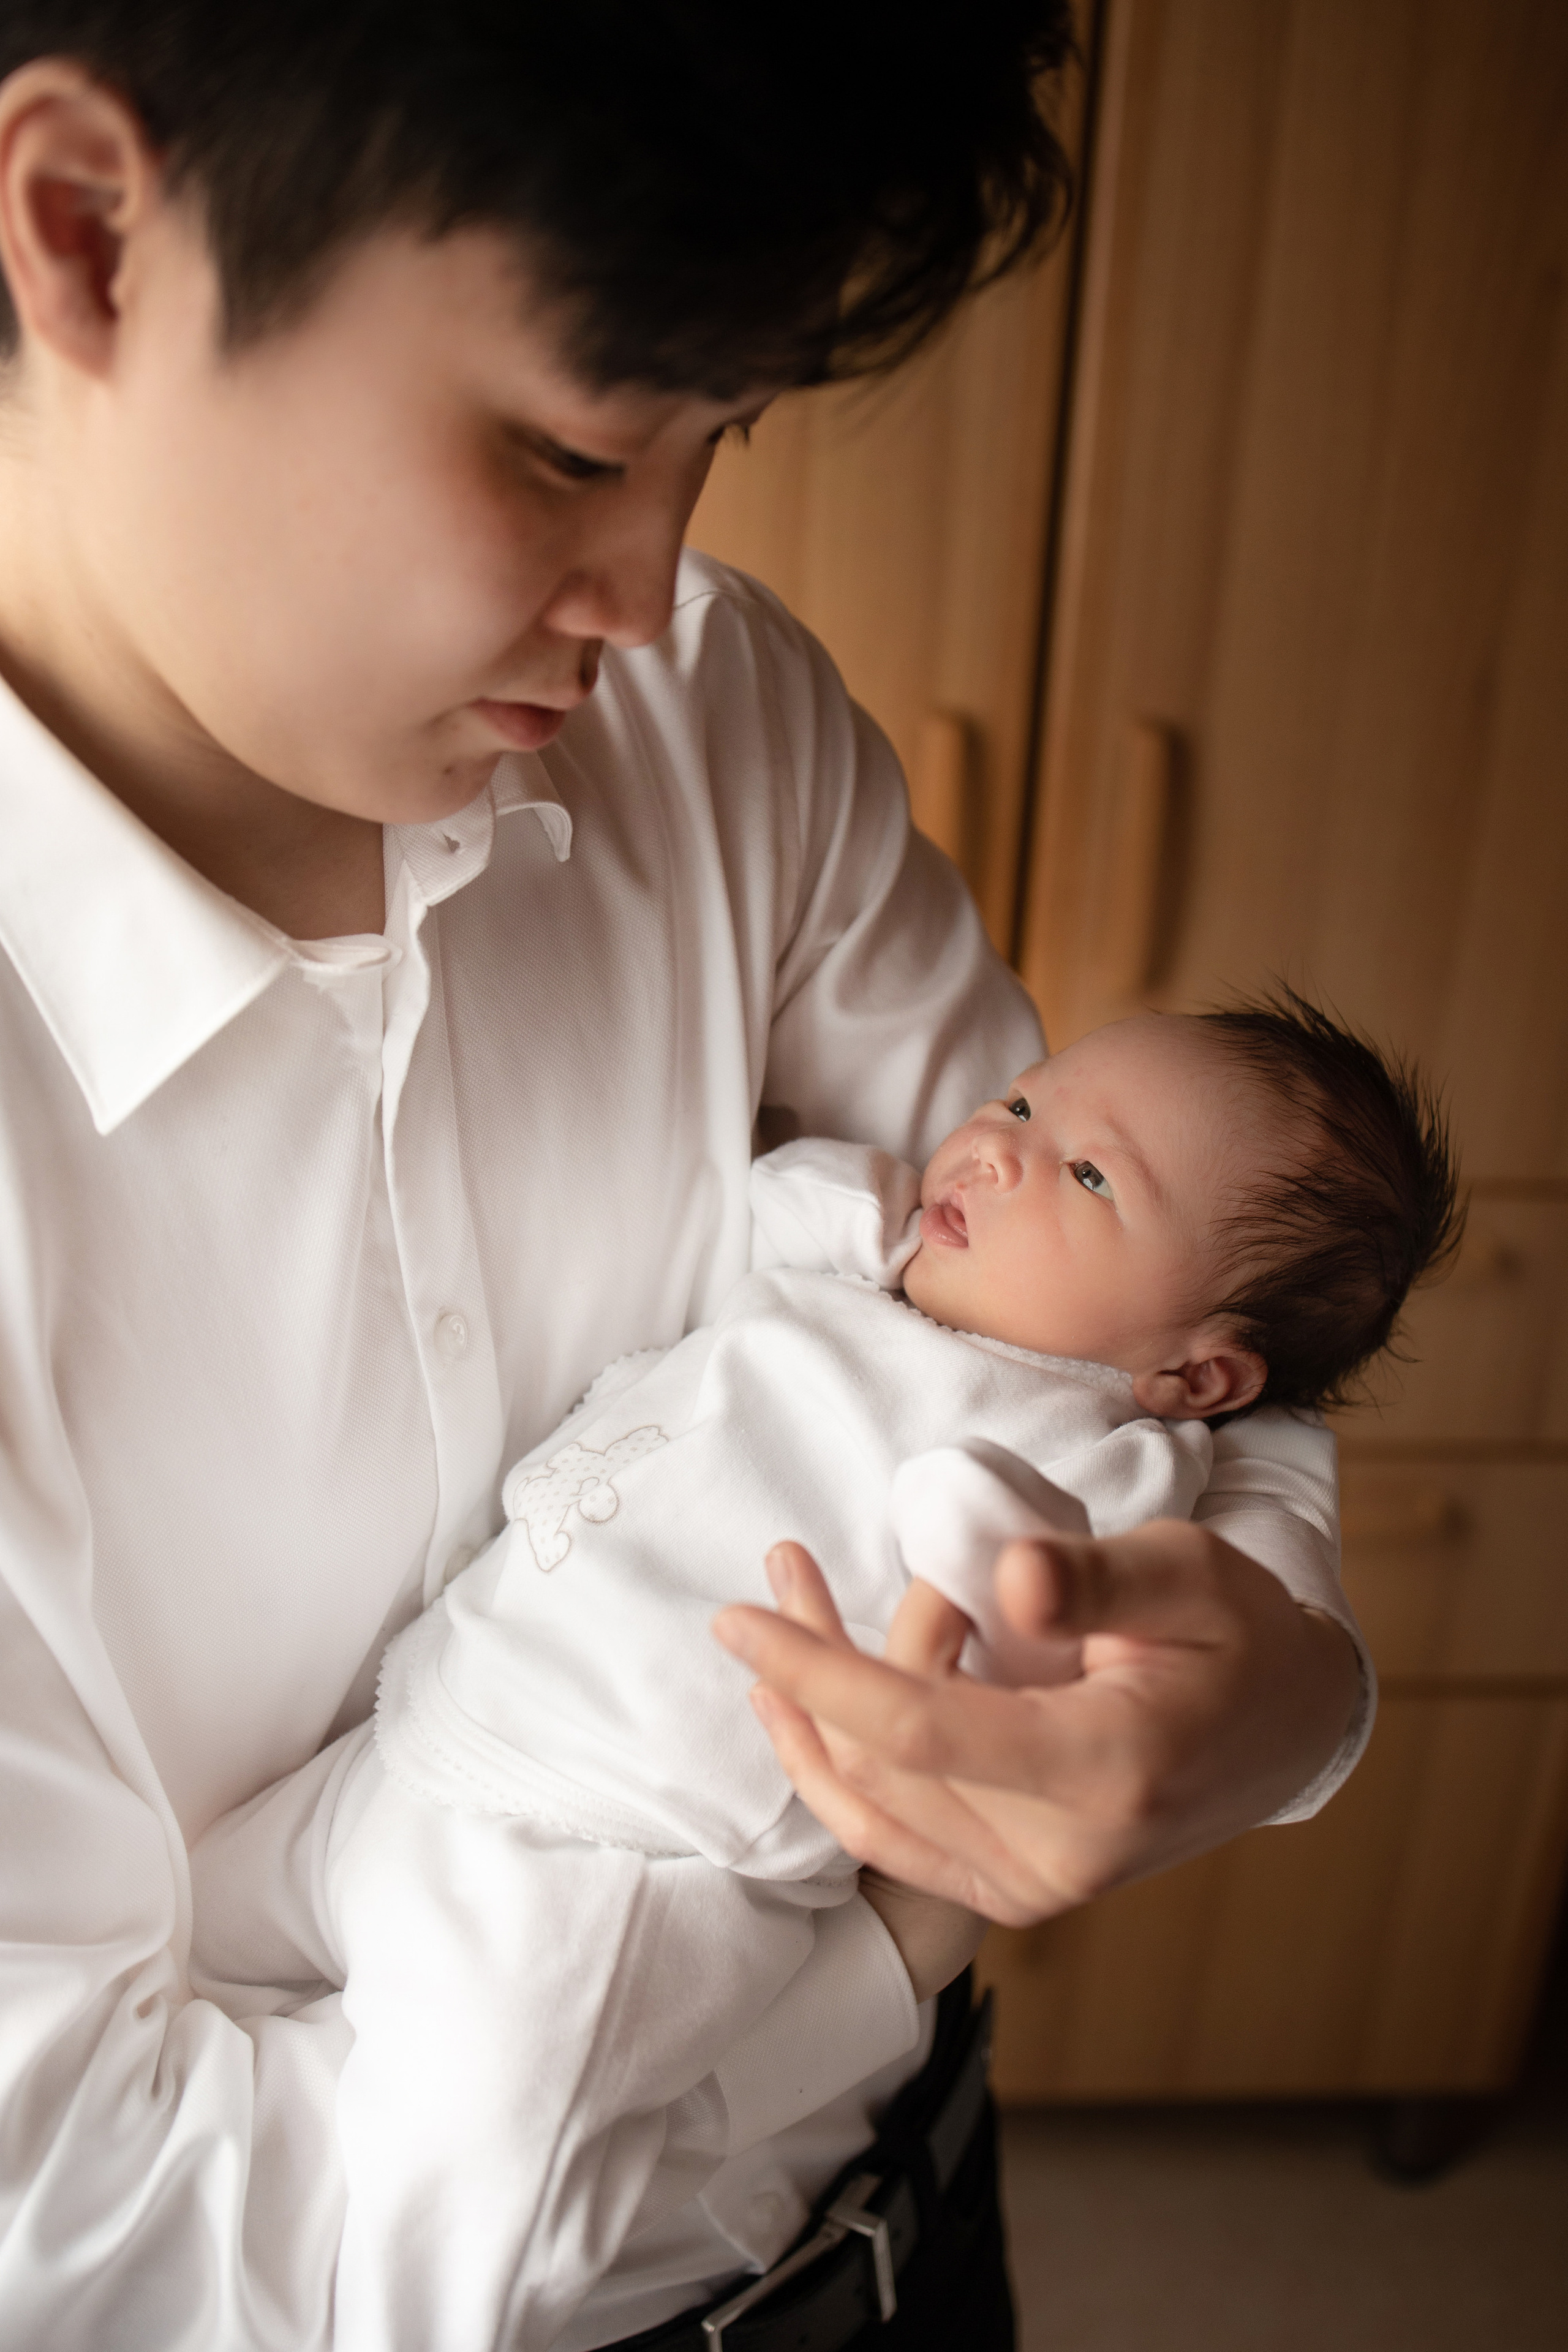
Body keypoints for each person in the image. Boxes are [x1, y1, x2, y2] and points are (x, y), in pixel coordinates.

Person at [0, 5, 1359, 2345]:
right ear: (92, 235)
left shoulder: (717, 719)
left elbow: (1125, 1302)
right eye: (560, 448)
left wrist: (1291, 1684)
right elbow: (101, 2236)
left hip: (935, 2236)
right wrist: (876, 1958)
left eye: (716, 442)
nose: (651, 588)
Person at [188, 999, 1456, 2352]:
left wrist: (1009, 1569)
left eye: (1090, 1178)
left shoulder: (1093, 1454)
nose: (997, 1151)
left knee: (467, 2174)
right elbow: (777, 1196)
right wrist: (864, 1205)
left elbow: (1052, 1633)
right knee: (198, 1934)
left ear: (1192, 1375)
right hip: (438, 1723)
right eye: (1023, 1101)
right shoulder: (875, 1266)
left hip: (617, 1864)